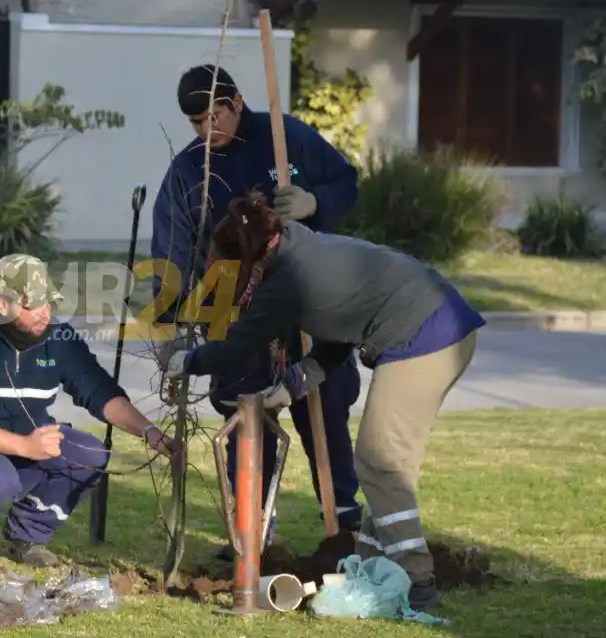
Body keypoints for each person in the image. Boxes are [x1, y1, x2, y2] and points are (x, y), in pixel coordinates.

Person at [164, 191, 486, 610]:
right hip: (443, 325)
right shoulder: (301, 247)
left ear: (247, 258)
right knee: (386, 466)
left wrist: (187, 361)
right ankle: (375, 569)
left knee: (380, 461)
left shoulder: (286, 280)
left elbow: (236, 348)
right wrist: (294, 384)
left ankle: (418, 583)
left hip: (426, 335)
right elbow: (341, 332)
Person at [149, 64, 363, 555]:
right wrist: (172, 323)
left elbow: (347, 184)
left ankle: (345, 524)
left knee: (324, 408)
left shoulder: (285, 137)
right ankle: (254, 530)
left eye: (213, 116)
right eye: (195, 123)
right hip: (235, 308)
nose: (207, 130)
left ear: (237, 101)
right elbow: (172, 251)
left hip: (308, 299)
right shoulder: (189, 170)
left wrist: (313, 202)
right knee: (246, 416)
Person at [0, 253, 178, 568]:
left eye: (48, 303)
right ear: (1, 304)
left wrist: (151, 433)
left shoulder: (58, 337)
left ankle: (26, 536)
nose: (44, 313)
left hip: (24, 439)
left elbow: (98, 391)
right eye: (32, 305)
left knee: (89, 456)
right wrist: (25, 446)